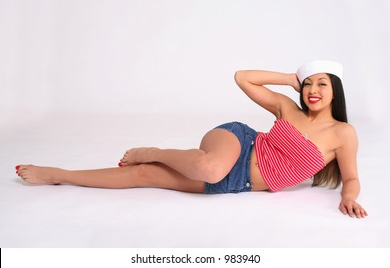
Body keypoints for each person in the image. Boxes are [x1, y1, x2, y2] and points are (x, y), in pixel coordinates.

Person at [15, 60, 367, 218]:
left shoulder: (342, 133)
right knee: (211, 167)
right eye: (309, 83)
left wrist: (348, 199)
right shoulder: (287, 107)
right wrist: (292, 78)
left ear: (336, 89)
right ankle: (151, 150)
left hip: (240, 181)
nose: (313, 89)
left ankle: (59, 174)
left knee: (142, 176)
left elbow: (350, 178)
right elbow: (243, 77)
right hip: (236, 142)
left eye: (322, 83)